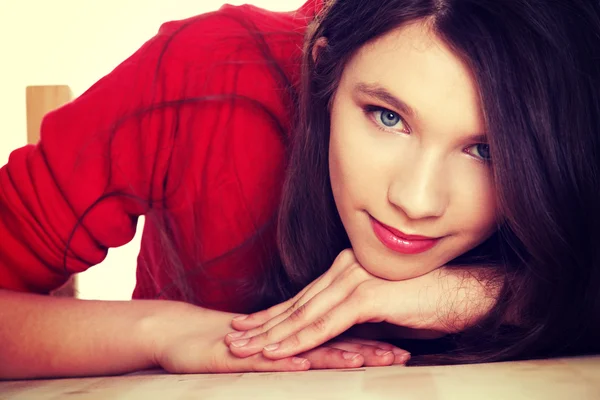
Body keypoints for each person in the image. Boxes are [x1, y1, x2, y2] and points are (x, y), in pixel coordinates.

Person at [1, 0, 598, 379]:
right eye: (387, 116)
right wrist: (165, 331)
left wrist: (482, 293)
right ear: (323, 69)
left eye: (485, 150)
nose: (416, 202)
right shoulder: (205, 75)